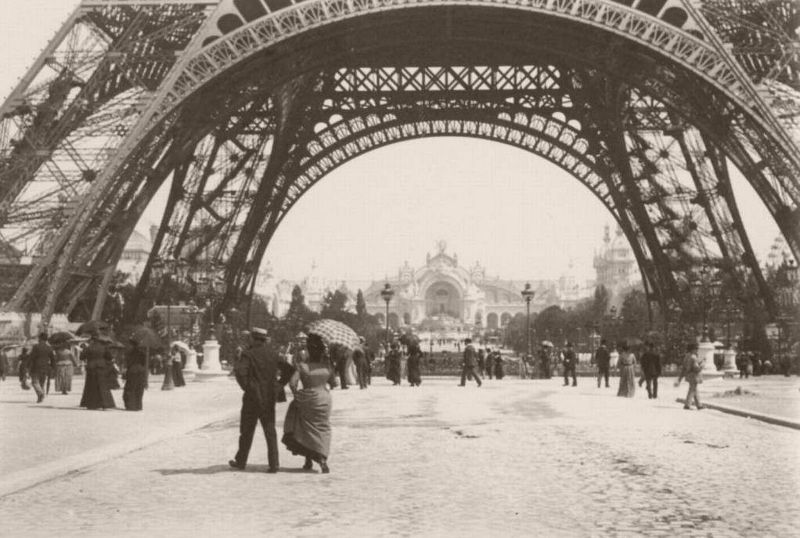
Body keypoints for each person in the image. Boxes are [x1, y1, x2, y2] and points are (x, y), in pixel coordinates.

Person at [229, 327, 295, 473]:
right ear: (264, 340)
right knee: (270, 430)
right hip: (269, 397)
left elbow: (240, 373)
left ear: (253, 338)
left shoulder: (248, 354)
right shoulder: (273, 354)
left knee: (246, 430)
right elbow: (290, 369)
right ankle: (274, 463)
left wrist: (248, 387)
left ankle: (241, 461)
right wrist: (278, 385)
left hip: (252, 398)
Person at [282, 333, 332, 473]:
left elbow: (292, 383)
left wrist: (297, 394)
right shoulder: (326, 366)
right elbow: (332, 382)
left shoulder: (303, 366)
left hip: (308, 397)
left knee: (304, 428)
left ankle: (308, 460)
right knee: (322, 428)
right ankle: (322, 459)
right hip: (324, 398)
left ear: (309, 350)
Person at [79, 334, 116, 410]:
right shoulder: (104, 347)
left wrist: (84, 350)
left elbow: (81, 357)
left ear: (92, 340)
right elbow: (109, 357)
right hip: (101, 367)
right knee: (103, 385)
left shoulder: (88, 347)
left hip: (91, 367)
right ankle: (105, 404)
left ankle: (92, 404)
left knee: (91, 386)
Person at [675, 342, 703, 410]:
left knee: (694, 389)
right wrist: (702, 365)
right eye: (696, 348)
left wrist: (680, 379)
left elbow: (684, 367)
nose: (697, 350)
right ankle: (687, 404)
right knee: (692, 390)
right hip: (694, 375)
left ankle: (699, 405)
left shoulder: (686, 356)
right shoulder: (693, 357)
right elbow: (696, 368)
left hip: (688, 375)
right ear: (692, 349)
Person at [29, 333, 55, 403]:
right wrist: (53, 368)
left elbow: (32, 357)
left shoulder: (36, 347)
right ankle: (40, 398)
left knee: (35, 382)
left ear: (40, 338)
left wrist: (28, 366)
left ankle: (40, 393)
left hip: (36, 367)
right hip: (45, 367)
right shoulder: (49, 348)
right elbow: (53, 359)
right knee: (42, 383)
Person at [123, 338, 148, 411]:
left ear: (132, 345)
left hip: (132, 371)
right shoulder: (142, 353)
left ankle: (130, 405)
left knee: (130, 388)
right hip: (141, 371)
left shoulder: (129, 353)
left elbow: (128, 363)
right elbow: (144, 363)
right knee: (139, 388)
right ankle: (138, 405)